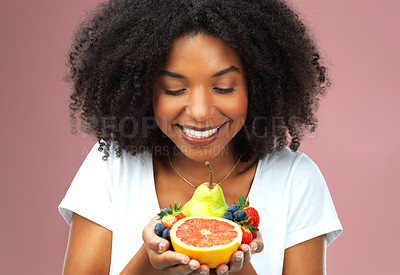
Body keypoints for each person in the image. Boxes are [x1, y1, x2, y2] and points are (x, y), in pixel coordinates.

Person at [58, 0, 342, 274]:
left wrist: (236, 268)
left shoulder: (296, 180)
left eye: (223, 87)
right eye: (173, 88)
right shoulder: (111, 166)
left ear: (257, 86)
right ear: (144, 91)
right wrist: (149, 263)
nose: (200, 112)